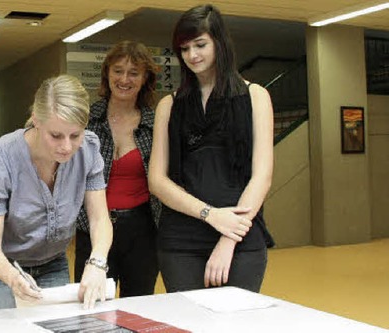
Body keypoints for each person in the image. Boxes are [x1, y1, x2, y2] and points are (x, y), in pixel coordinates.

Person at [148, 4, 275, 293]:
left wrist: (228, 236)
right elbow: (157, 180)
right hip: (181, 241)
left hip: (241, 237)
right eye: (184, 48)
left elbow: (262, 176)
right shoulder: (168, 105)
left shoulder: (256, 96)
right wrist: (211, 215)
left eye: (201, 45)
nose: (192, 55)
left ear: (220, 42)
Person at [0, 74, 113, 311]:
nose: (66, 146)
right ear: (36, 121)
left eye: (75, 135)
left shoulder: (90, 149)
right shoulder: (0, 159)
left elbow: (99, 219)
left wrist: (97, 263)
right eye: (56, 135)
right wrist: (14, 278)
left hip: (52, 261)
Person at [73, 41, 161, 297]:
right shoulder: (86, 119)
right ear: (107, 73)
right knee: (91, 302)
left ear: (145, 78)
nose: (124, 79)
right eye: (118, 70)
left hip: (142, 230)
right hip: (93, 226)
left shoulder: (154, 123)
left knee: (139, 303)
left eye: (134, 73)